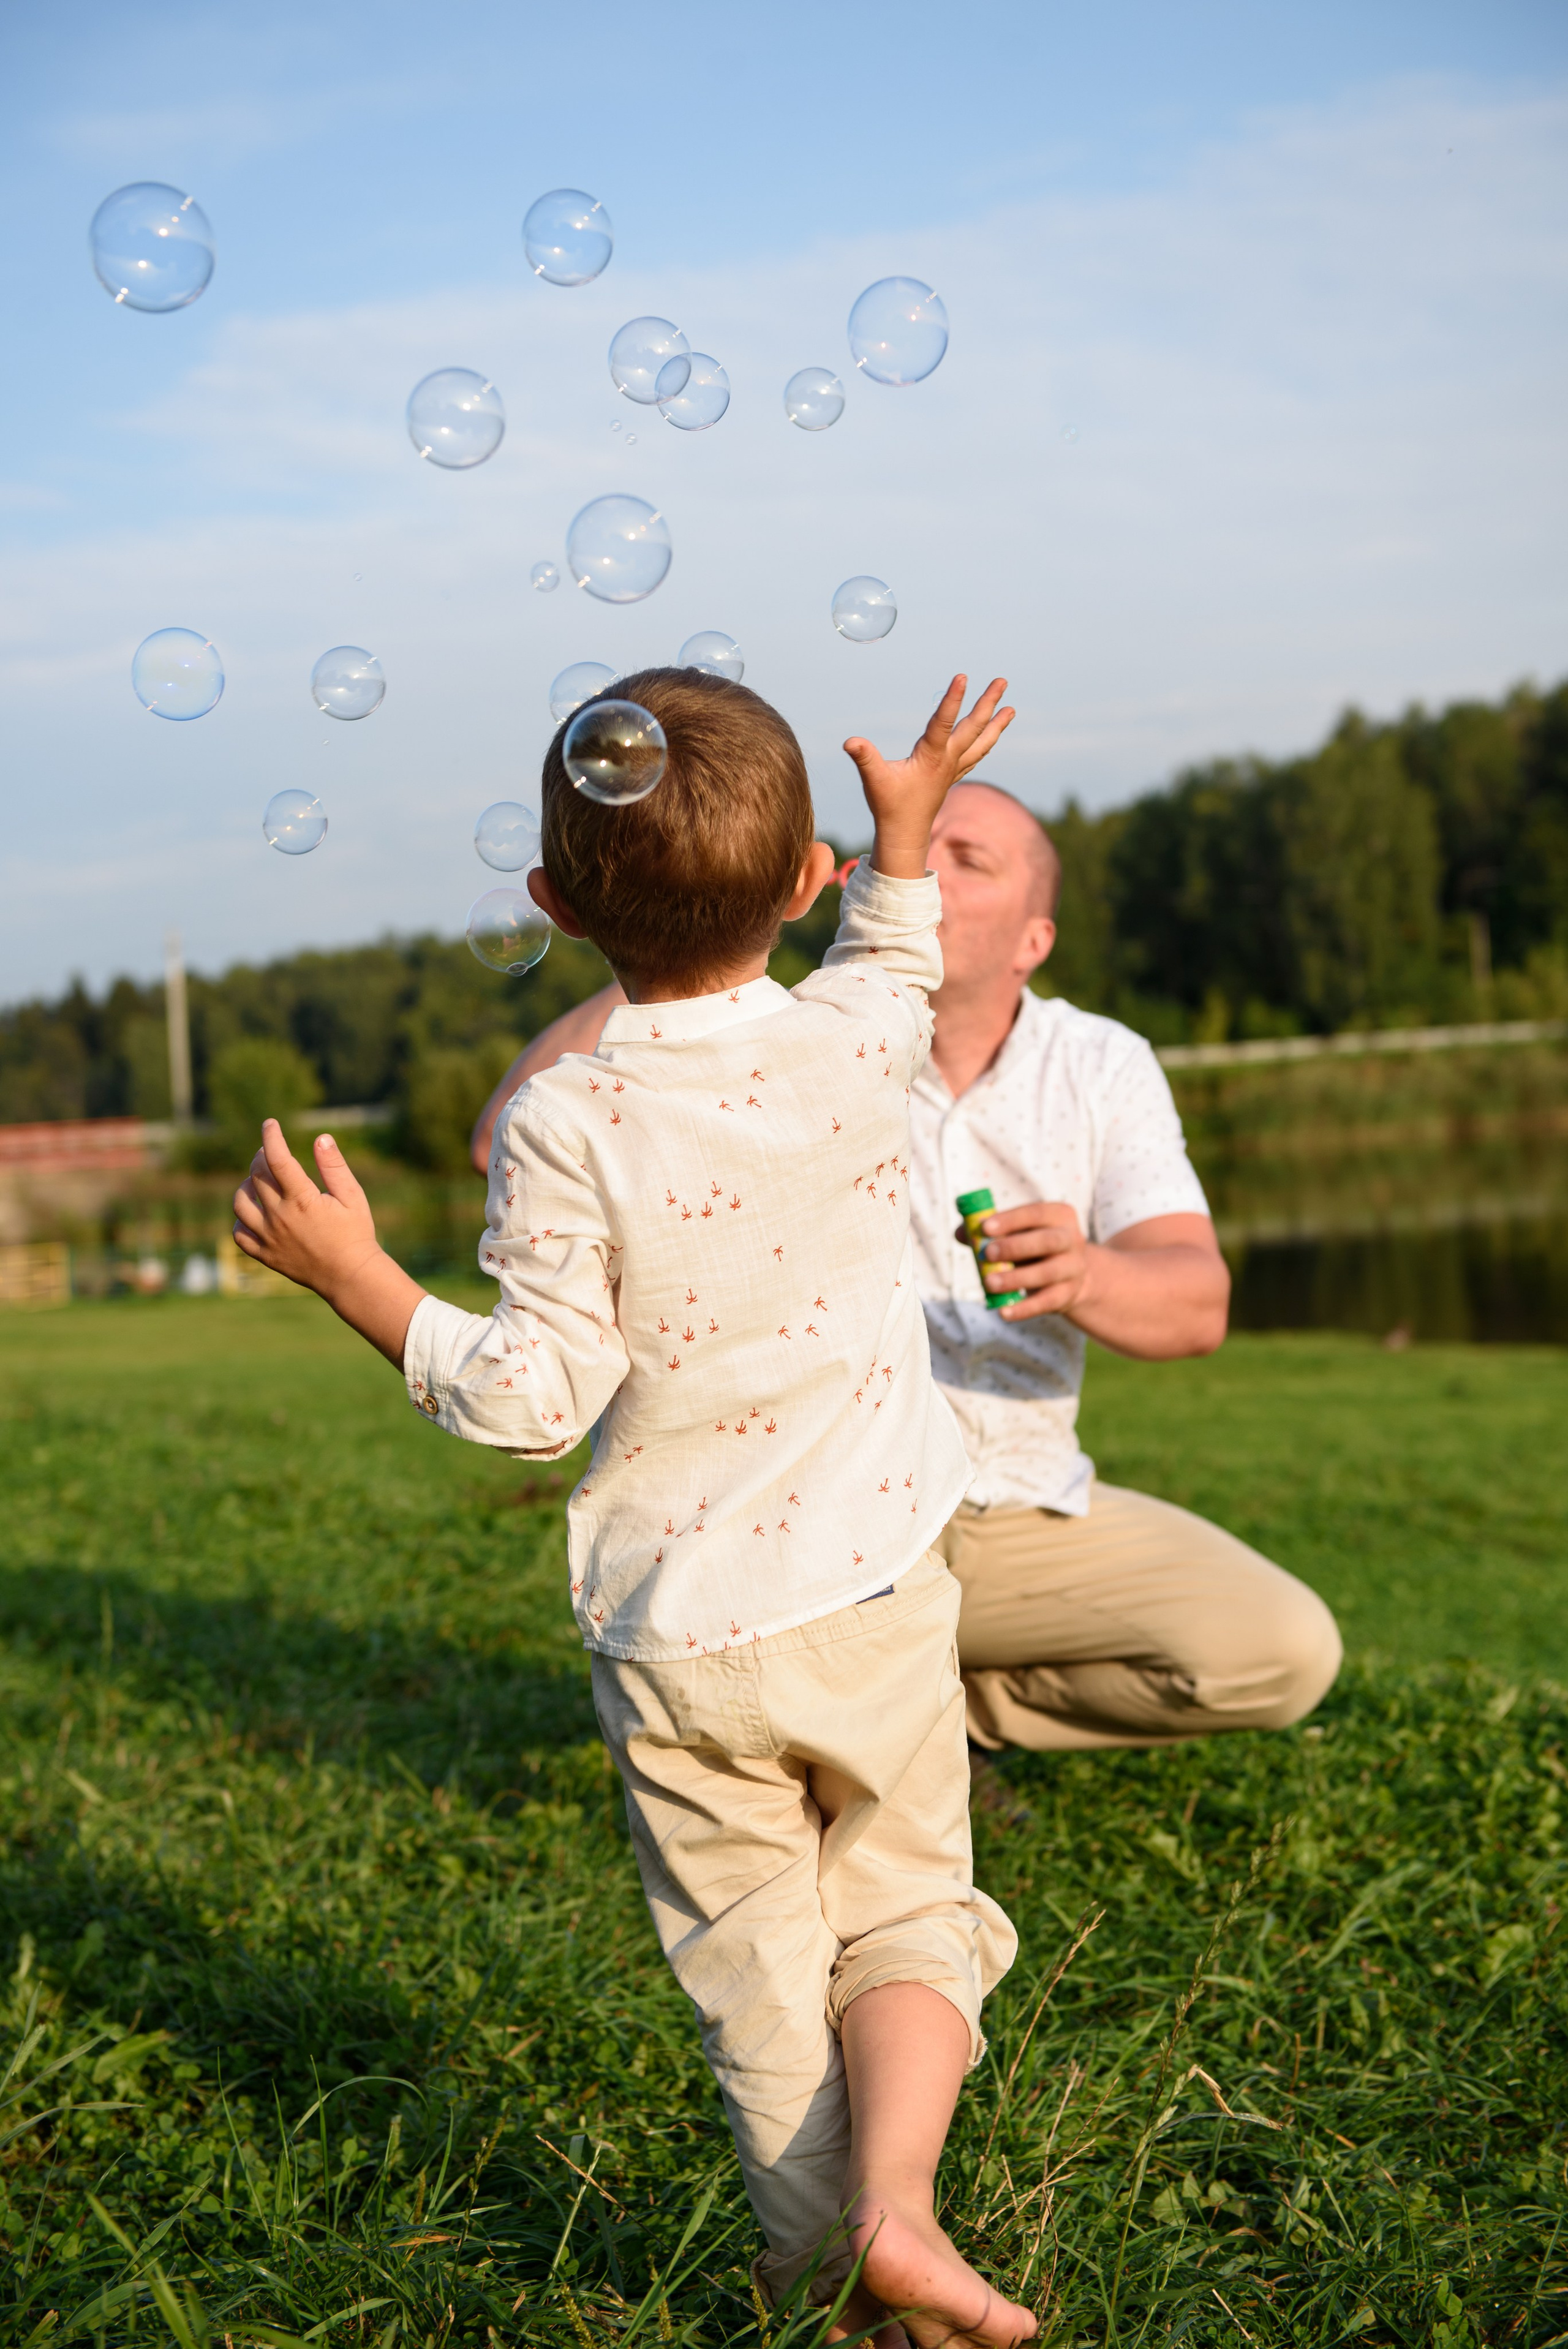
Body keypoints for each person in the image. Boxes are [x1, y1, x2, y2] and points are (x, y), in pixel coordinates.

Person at [232, 668, 1036, 2349]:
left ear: (552, 906)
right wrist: (899, 833)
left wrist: (359, 1275)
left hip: (681, 1638)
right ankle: (903, 2203)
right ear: (803, 880)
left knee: (759, 1983)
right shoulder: (857, 1035)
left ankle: (830, 2269)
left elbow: (533, 1404)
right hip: (879, 1588)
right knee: (907, 1906)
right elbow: (899, 949)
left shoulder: (564, 1114)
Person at [474, 782, 1342, 1760]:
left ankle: (943, 1714)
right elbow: (500, 1137)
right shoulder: (783, 1045)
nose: (926, 860)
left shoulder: (1101, 1065)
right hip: (823, 1502)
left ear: (1033, 942)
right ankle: (876, 1710)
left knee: (1282, 1648)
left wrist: (1088, 1276)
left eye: (969, 858)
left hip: (1018, 1502)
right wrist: (677, 933)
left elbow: (1197, 1306)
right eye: (919, 841)